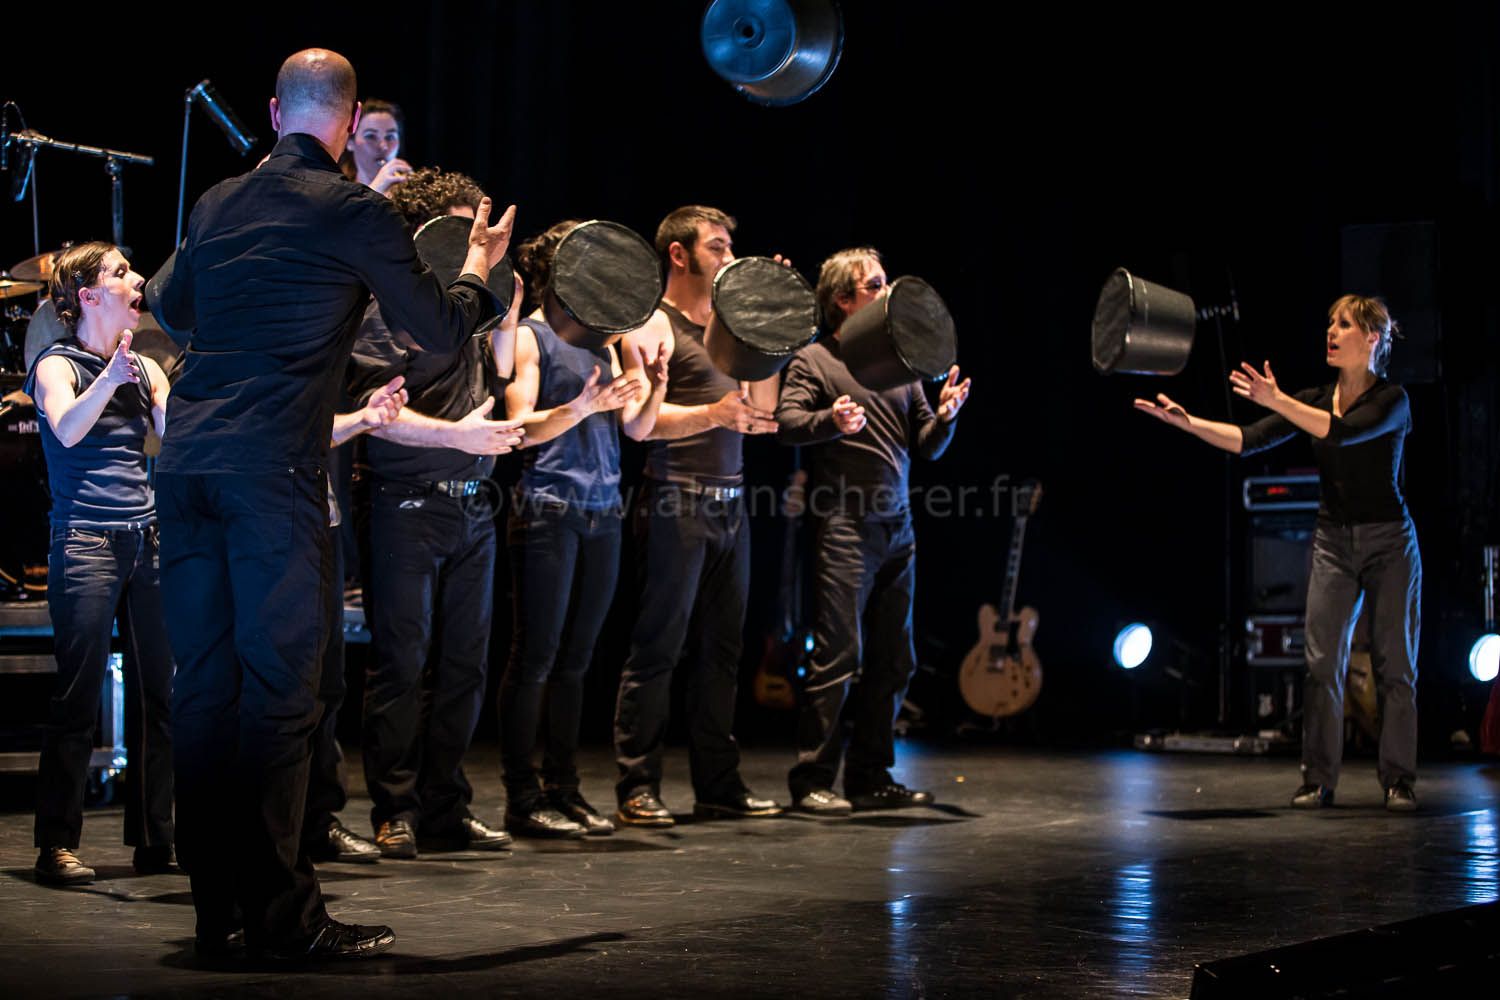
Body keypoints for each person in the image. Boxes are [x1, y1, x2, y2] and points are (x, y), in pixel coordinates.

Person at [150, 48, 515, 961]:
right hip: (269, 472)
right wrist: (477, 270)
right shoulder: (354, 209)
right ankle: (284, 920)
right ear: (351, 124)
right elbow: (439, 331)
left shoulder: (217, 201)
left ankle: (219, 914)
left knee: (206, 693)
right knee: (280, 696)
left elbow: (171, 306)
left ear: (275, 114)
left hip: (186, 467)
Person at [1134, 295, 1420, 812]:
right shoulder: (1314, 399)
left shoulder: (1392, 400)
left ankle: (1398, 780)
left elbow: (1342, 433)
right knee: (1320, 664)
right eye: (1329, 322)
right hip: (1333, 541)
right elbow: (1247, 439)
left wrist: (1278, 399)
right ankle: (1318, 780)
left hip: (1389, 541)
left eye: (1344, 324)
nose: (1331, 331)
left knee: (1394, 665)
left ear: (1371, 338)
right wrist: (1189, 422)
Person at [347, 167, 526, 859]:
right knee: (402, 664)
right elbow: (376, 418)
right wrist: (458, 437)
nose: (472, 242)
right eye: (460, 229)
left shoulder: (472, 306)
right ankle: (395, 810)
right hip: (406, 505)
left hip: (472, 507)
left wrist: (508, 305)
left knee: (465, 666)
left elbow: (499, 376)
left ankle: (446, 805)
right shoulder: (385, 310)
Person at [776, 247, 970, 815]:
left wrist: (946, 416)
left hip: (897, 528)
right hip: (845, 527)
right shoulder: (815, 360)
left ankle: (870, 777)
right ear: (844, 300)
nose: (887, 294)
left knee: (895, 658)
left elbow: (927, 444)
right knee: (839, 656)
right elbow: (787, 425)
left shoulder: (899, 363)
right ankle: (812, 779)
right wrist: (830, 420)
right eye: (876, 285)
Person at [611, 205, 784, 828]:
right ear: (679, 254)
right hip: (675, 498)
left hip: (731, 503)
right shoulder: (652, 323)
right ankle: (637, 784)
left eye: (731, 246)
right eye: (717, 246)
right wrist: (712, 414)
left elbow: (762, 414)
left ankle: (718, 784)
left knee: (723, 651)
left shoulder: (730, 325)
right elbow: (640, 424)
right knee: (659, 645)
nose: (729, 257)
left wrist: (769, 320)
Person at [498, 220, 664, 838]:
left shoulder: (608, 341)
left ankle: (564, 788)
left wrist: (655, 389)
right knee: (535, 657)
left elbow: (636, 428)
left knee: (577, 660)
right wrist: (582, 407)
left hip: (602, 512)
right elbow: (521, 428)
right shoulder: (532, 336)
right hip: (547, 508)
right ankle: (522, 796)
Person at [25, 242, 174, 885]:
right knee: (78, 694)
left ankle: (157, 838)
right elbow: (65, 429)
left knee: (158, 693)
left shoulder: (146, 365)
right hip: (85, 541)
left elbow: (174, 437)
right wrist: (109, 380)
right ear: (87, 295)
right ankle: (56, 842)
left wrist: (162, 393)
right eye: (119, 272)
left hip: (146, 539)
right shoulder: (56, 365)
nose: (136, 279)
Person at [341, 97, 411, 196]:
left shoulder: (407, 193)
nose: (383, 146)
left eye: (390, 137)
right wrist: (375, 190)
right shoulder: (337, 192)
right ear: (350, 142)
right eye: (370, 136)